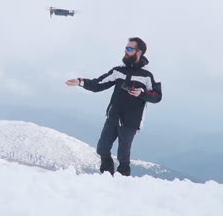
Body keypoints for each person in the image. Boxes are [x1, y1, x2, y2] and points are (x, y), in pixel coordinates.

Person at [65, 37, 162, 176]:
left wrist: (141, 93)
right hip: (113, 117)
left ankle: (122, 182)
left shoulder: (149, 74)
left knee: (123, 156)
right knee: (102, 149)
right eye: (126, 48)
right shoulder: (118, 71)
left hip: (131, 121)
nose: (126, 51)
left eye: (129, 49)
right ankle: (106, 178)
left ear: (139, 52)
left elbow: (157, 96)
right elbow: (98, 84)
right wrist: (80, 82)